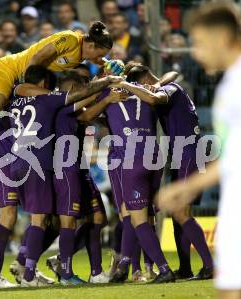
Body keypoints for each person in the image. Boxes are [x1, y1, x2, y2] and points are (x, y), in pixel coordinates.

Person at [157, 3, 241, 299]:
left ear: (221, 38)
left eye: (200, 44)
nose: (195, 53)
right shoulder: (236, 78)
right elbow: (238, 154)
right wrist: (188, 186)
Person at [0, 65, 122, 287]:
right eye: (82, 82)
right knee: (48, 219)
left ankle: (29, 268)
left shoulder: (15, 101)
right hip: (53, 165)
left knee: (50, 219)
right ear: (44, 84)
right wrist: (106, 90)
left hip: (21, 162)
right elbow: (82, 108)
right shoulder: (52, 102)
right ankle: (37, 271)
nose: (85, 85)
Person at [0, 21, 117, 145]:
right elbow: (38, 56)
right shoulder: (70, 39)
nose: (101, 59)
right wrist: (26, 86)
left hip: (26, 78)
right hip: (10, 68)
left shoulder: (84, 56)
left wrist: (112, 65)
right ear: (92, 46)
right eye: (102, 54)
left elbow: (104, 65)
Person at [78, 66, 176, 284]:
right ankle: (133, 266)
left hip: (131, 161)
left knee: (135, 218)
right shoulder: (147, 90)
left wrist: (105, 99)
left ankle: (162, 268)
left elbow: (84, 116)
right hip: (154, 158)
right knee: (142, 215)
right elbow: (170, 77)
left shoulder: (108, 94)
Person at [124, 62, 214, 280]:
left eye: (139, 86)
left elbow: (160, 91)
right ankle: (185, 268)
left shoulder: (169, 89)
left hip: (189, 153)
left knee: (181, 212)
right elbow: (171, 74)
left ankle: (211, 266)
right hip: (183, 154)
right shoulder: (166, 85)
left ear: (145, 80)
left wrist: (129, 86)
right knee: (177, 212)